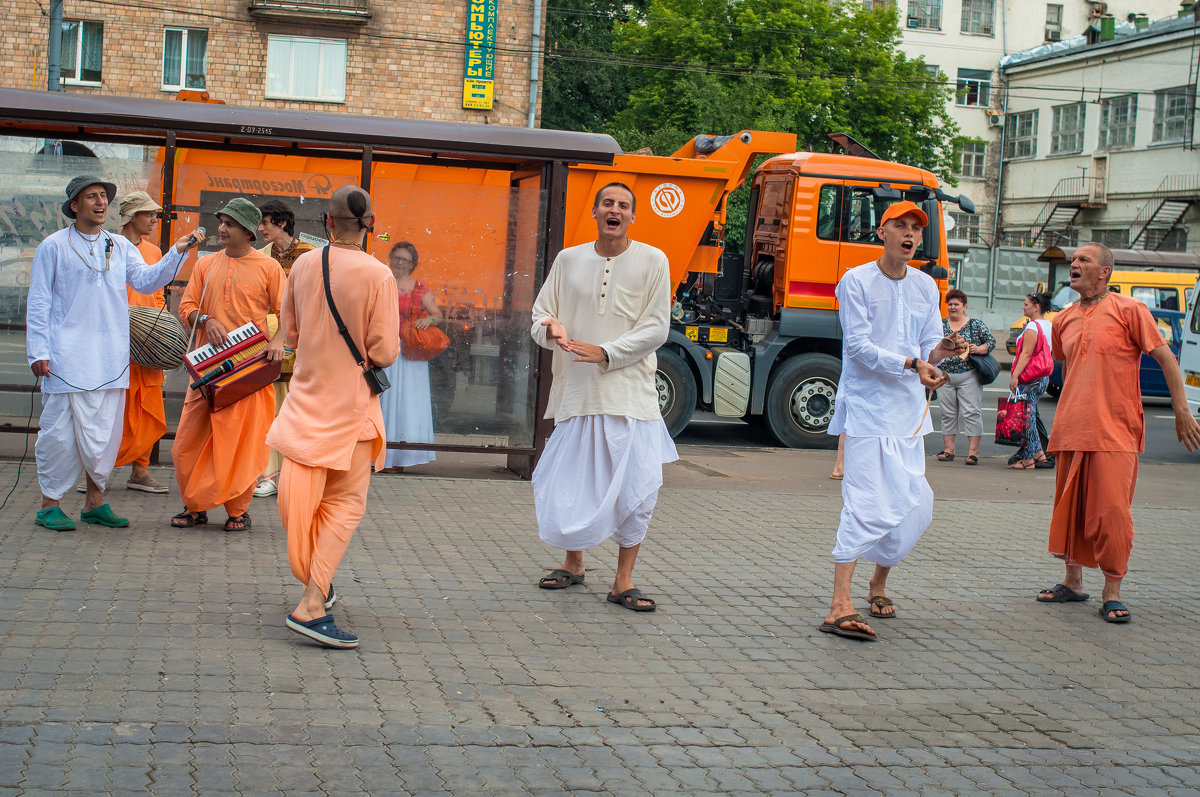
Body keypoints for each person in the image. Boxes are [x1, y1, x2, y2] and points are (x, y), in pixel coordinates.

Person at [820, 201, 967, 640]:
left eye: (915, 230)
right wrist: (912, 364)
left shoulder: (925, 285)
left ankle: (878, 583)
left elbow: (927, 346)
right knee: (865, 502)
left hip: (908, 413)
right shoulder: (856, 281)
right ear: (881, 232)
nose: (909, 234)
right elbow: (859, 348)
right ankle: (837, 605)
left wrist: (942, 354)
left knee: (912, 505)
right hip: (867, 409)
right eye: (900, 226)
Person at [530, 182, 677, 612]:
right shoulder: (568, 259)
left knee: (637, 489)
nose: (615, 209)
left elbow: (657, 328)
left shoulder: (653, 260)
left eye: (624, 205)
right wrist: (551, 329)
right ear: (595, 211)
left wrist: (607, 352)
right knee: (571, 485)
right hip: (576, 396)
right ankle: (572, 563)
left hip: (630, 397)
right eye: (608, 203)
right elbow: (540, 317)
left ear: (633, 216)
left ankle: (622, 581)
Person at [1035, 243, 1200, 623]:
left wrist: (1181, 410)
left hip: (1116, 429)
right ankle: (1073, 582)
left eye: (1083, 261)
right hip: (1072, 427)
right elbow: (1063, 360)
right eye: (1073, 260)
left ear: (1104, 271)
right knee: (1071, 510)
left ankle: (1112, 590)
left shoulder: (1131, 310)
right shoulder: (1063, 319)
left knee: (1111, 514)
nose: (1073, 265)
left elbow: (1166, 358)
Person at [27, 176, 203, 531]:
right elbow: (40, 302)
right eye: (91, 197)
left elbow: (147, 280)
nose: (100, 202)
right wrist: (38, 351)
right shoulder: (54, 246)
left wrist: (177, 252)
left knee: (103, 433)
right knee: (59, 434)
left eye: (104, 197)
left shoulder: (120, 246)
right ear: (74, 205)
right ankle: (50, 504)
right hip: (65, 357)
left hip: (110, 356)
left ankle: (95, 503)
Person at [268, 185, 399, 648]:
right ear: (371, 224)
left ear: (327, 223)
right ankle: (310, 602)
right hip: (351, 412)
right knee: (343, 506)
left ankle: (316, 582)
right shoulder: (379, 275)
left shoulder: (304, 264)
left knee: (302, 504)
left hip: (303, 403)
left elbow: (291, 332)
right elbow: (385, 351)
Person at [171, 198, 285, 532]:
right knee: (188, 443)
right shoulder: (206, 265)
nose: (222, 229)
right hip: (208, 369)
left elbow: (290, 311)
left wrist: (278, 342)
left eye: (230, 224)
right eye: (221, 222)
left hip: (249, 369)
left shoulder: (269, 268)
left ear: (248, 231)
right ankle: (194, 506)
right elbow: (187, 306)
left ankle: (238, 510)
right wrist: (205, 318)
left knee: (241, 444)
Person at [253, 199, 315, 498]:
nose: (260, 228)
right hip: (267, 342)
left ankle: (295, 475)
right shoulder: (260, 256)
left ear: (281, 223)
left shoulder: (310, 255)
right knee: (268, 410)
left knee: (296, 411)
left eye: (265, 222)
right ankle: (268, 473)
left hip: (301, 344)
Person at [113, 191, 171, 494]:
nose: (153, 220)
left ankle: (140, 471)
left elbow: (158, 294)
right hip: (117, 342)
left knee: (148, 404)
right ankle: (98, 469)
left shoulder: (153, 251)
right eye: (149, 214)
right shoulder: (108, 247)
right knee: (113, 407)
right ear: (132, 216)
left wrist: (161, 331)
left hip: (147, 342)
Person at [378, 241, 441, 473]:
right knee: (385, 402)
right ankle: (382, 454)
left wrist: (428, 320)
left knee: (405, 403)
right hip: (385, 348)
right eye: (396, 258)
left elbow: (438, 314)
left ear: (412, 264)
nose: (399, 263)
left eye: (404, 260)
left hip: (409, 354)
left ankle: (399, 456)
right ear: (390, 258)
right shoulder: (382, 281)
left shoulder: (419, 288)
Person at [935, 289, 995, 466]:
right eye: (950, 304)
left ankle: (973, 452)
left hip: (969, 375)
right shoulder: (940, 324)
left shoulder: (975, 324)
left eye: (957, 304)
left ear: (964, 307)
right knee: (947, 414)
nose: (953, 307)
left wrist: (979, 349)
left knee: (971, 413)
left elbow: (991, 342)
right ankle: (949, 450)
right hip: (945, 375)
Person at [1007, 291, 1053, 470]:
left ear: (1036, 307)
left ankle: (1028, 460)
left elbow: (1026, 354)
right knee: (1030, 416)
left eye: (1026, 304)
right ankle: (1038, 454)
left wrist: (1015, 376)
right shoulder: (1047, 325)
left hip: (1030, 377)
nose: (1023, 306)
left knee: (1026, 418)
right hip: (1042, 377)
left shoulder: (1033, 327)